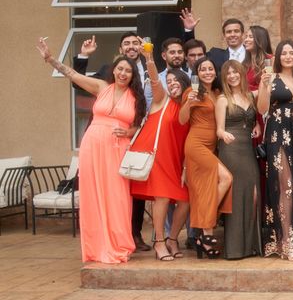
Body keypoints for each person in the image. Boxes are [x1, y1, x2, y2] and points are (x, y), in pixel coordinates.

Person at [37, 38, 145, 263]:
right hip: (93, 145)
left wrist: (128, 133)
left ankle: (119, 244)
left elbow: (141, 126)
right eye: (120, 69)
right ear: (114, 71)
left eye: (128, 71)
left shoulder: (137, 98)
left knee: (118, 197)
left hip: (118, 149)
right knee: (93, 195)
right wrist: (50, 59)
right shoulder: (101, 87)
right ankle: (97, 246)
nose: (123, 73)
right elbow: (73, 75)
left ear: (133, 75)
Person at [70, 32, 151, 252]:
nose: (132, 46)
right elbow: (77, 84)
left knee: (133, 189)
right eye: (127, 43)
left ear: (141, 46)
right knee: (111, 190)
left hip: (138, 134)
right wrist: (83, 56)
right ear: (121, 48)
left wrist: (132, 132)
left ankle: (134, 233)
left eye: (136, 42)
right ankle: (111, 237)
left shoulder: (152, 67)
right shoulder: (108, 71)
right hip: (104, 140)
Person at [130, 47, 192, 261]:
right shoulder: (161, 100)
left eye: (177, 81)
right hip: (157, 158)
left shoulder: (189, 107)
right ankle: (158, 241)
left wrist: (185, 167)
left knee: (185, 200)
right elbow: (156, 80)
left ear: (185, 85)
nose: (172, 84)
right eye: (170, 81)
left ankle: (172, 238)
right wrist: (149, 58)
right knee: (162, 198)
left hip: (176, 162)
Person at [257, 41, 293, 261]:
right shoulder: (271, 78)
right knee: (286, 186)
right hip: (278, 136)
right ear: (279, 56)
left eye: (292, 52)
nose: (289, 56)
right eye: (285, 53)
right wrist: (263, 85)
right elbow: (262, 109)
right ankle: (287, 240)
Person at [179, 57, 232, 258]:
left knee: (207, 189)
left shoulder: (217, 92)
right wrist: (188, 103)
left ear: (215, 72)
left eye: (211, 68)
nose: (208, 72)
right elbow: (182, 119)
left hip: (212, 147)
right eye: (203, 69)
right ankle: (205, 229)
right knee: (226, 178)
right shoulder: (192, 92)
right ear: (197, 73)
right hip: (196, 145)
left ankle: (205, 238)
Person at [216, 60, 262, 260]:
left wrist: (257, 125)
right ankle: (235, 249)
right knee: (236, 196)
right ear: (225, 77)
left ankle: (252, 245)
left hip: (247, 149)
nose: (233, 76)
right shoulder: (222, 99)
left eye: (236, 72)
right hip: (231, 149)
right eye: (228, 73)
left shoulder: (251, 95)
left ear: (242, 74)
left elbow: (262, 108)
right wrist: (223, 135)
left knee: (253, 194)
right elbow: (218, 129)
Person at [243, 25, 272, 92]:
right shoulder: (244, 64)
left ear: (260, 40)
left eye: (250, 37)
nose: (246, 40)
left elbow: (269, 84)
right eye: (246, 36)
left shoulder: (269, 61)